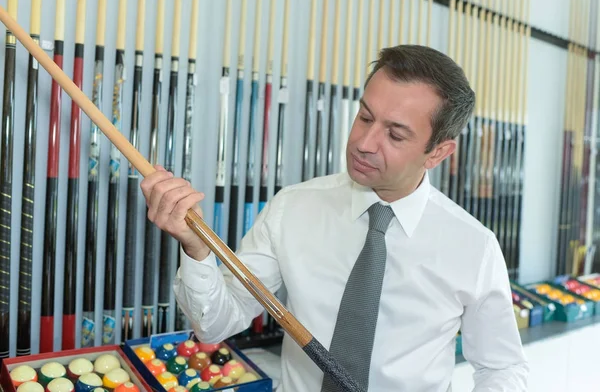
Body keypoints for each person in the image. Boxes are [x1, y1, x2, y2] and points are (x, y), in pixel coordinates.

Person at [140, 45, 529, 391]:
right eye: (364, 116)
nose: (364, 143)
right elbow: (216, 324)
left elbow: (502, 366)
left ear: (438, 152)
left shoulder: (473, 246)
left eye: (395, 135)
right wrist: (195, 247)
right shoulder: (293, 208)